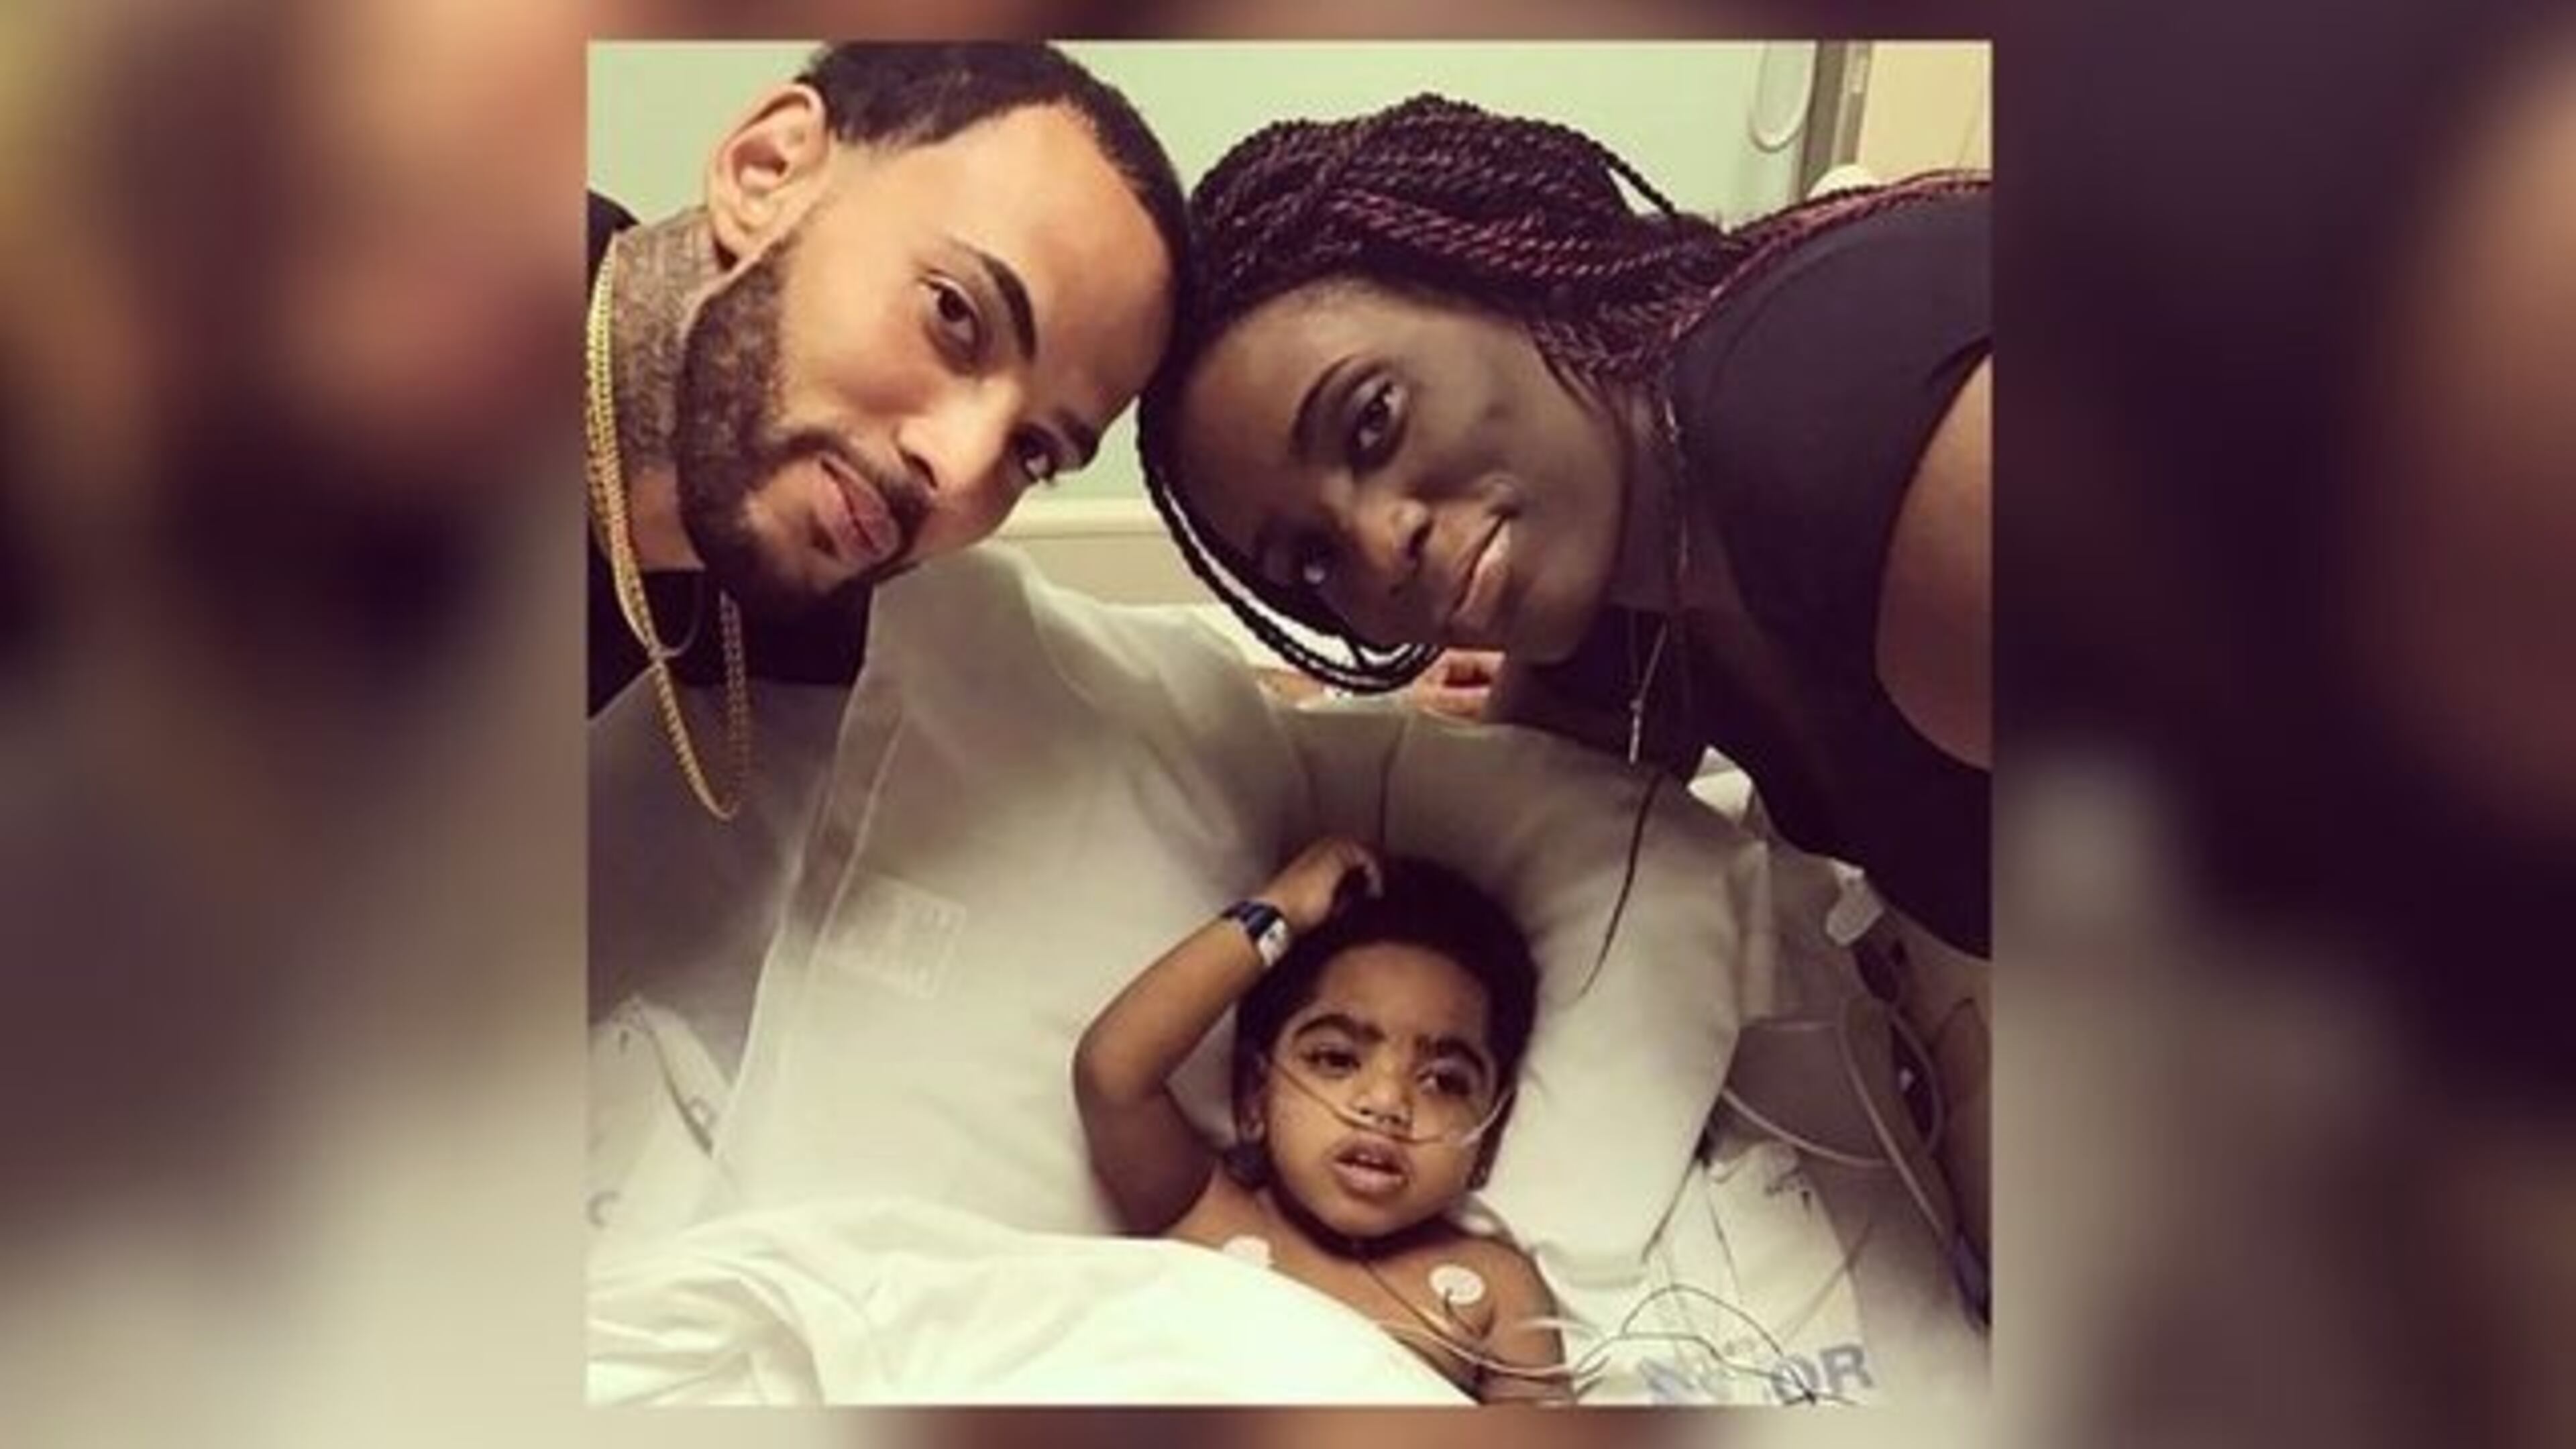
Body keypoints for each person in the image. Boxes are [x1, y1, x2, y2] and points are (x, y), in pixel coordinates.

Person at [1134, 95, 1991, 959]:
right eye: (1315, 559)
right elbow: (1513, 846)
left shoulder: (1842, 437)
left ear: (1502, 270)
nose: (1380, 549)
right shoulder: (1627, 572)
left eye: (1371, 422)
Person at [587, 43, 1189, 818]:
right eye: (954, 314)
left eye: (1031, 451)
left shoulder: (740, 558)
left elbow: (1020, 667)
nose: (963, 469)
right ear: (767, 172)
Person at [1073, 838, 1568, 1403]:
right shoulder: (1202, 1209)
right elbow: (1111, 1071)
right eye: (1336, 1058)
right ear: (1256, 1098)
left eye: (1444, 1081)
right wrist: (1278, 911)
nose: (1385, 1103)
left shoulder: (1497, 1288)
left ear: (1486, 1143)